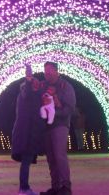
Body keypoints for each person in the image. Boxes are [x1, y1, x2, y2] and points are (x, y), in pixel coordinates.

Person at [39, 62, 76, 195]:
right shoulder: (43, 86)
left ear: (56, 71)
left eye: (49, 71)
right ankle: (55, 187)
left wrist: (55, 114)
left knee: (59, 155)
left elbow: (70, 107)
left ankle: (66, 187)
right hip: (47, 126)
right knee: (51, 157)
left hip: (60, 124)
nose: (47, 74)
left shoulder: (65, 86)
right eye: (45, 72)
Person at [11, 64, 44, 195]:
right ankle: (24, 189)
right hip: (26, 135)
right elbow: (30, 90)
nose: (38, 85)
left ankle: (24, 188)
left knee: (26, 161)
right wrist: (29, 77)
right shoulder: (26, 95)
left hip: (27, 134)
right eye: (35, 83)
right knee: (25, 161)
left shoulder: (28, 98)